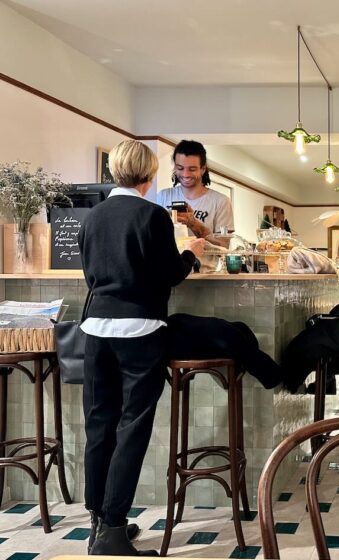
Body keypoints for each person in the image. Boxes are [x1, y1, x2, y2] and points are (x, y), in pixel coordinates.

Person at [78, 140, 205, 556]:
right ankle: (113, 529)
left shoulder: (92, 216)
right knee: (131, 429)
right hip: (141, 331)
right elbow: (169, 274)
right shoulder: (151, 215)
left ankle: (99, 521)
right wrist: (191, 255)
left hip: (95, 330)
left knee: (98, 426)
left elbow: (90, 273)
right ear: (149, 176)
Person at [156, 140, 234, 246]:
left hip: (204, 263)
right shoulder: (163, 196)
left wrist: (193, 224)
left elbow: (223, 247)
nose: (185, 174)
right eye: (180, 168)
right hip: (170, 262)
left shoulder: (221, 202)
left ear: (203, 169)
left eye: (192, 169)